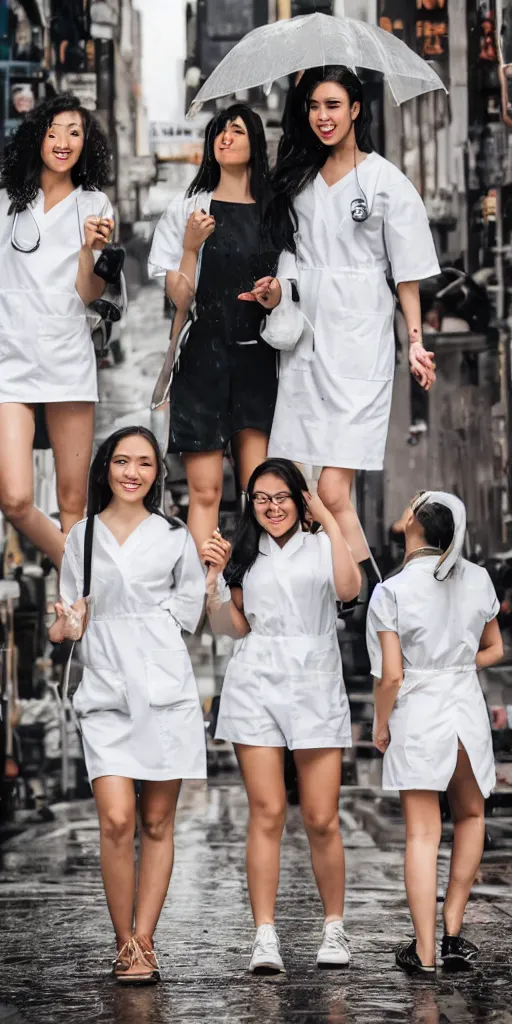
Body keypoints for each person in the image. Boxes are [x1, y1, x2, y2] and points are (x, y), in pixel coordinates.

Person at [258, 66, 440, 590]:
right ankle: (354, 594)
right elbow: (288, 262)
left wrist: (415, 341)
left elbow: (406, 275)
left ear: (356, 109)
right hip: (307, 341)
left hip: (362, 345)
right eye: (314, 107)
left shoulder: (387, 182)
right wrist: (275, 294)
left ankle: (368, 592)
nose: (323, 117)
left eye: (333, 105)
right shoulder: (297, 180)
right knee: (298, 484)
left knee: (334, 490)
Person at [49, 426, 206, 984]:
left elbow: (190, 607)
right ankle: (123, 942)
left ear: (157, 473)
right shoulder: (81, 537)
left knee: (158, 821)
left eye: (144, 463)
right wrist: (66, 626)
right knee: (116, 819)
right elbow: (66, 617)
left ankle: (144, 941)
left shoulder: (173, 534)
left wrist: (158, 624)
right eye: (122, 461)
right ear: (105, 469)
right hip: (105, 686)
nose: (133, 472)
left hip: (164, 685)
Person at [202, 458, 360, 973]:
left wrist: (330, 520)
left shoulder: (323, 545)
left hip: (315, 678)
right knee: (267, 814)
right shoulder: (244, 554)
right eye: (260, 499)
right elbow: (233, 628)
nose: (271, 508)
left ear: (300, 499)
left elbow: (348, 590)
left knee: (320, 817)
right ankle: (264, 935)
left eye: (281, 497)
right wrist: (214, 585)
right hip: (256, 681)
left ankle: (334, 928)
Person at [366, 491, 503, 976]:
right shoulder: (480, 578)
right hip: (465, 707)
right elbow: (494, 649)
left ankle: (423, 952)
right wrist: (458, 662)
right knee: (470, 815)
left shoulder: (392, 591)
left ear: (414, 526)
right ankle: (451, 929)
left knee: (423, 834)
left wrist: (380, 727)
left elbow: (391, 676)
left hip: (419, 711)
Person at [148, 103, 282, 551]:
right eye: (219, 131)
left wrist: (274, 292)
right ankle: (200, 594)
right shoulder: (188, 210)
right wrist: (190, 247)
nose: (225, 137)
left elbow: (294, 279)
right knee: (204, 491)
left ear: (255, 143)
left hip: (257, 357)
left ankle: (255, 585)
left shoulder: (274, 212)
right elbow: (179, 299)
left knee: (259, 489)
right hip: (202, 359)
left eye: (238, 131)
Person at [0, 93, 113, 567]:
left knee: (73, 506)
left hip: (67, 360)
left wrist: (89, 250)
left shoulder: (96, 204)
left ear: (86, 144)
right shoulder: (6, 202)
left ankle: (77, 612)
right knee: (15, 499)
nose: (63, 141)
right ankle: (81, 574)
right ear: (36, 136)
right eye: (53, 131)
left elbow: (91, 293)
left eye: (75, 132)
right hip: (10, 362)